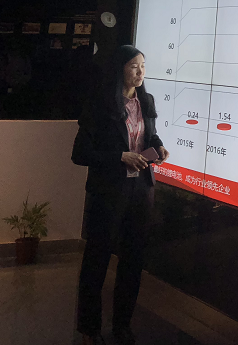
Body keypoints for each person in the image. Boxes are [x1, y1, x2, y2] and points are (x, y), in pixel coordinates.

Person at [72, 45, 170, 345]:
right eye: (133, 66)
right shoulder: (100, 103)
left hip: (140, 190)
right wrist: (120, 156)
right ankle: (89, 328)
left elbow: (148, 135)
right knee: (97, 259)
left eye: (143, 65)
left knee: (133, 260)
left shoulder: (146, 101)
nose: (140, 72)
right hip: (109, 191)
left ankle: (122, 325)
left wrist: (158, 146)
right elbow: (80, 153)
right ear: (120, 69)